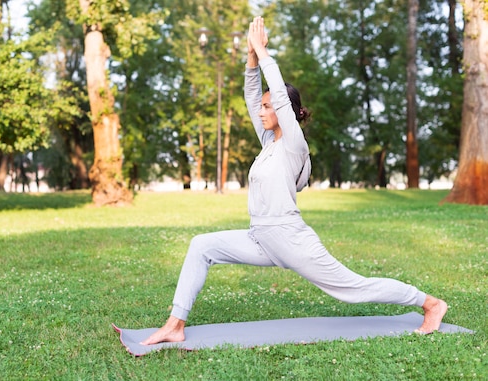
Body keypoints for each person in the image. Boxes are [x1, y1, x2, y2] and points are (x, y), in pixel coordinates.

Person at [140, 16, 447, 346]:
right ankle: (175, 323)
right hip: (260, 237)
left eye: (268, 108)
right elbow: (250, 92)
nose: (261, 111)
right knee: (202, 245)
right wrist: (250, 57)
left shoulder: (293, 146)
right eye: (263, 107)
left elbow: (280, 101)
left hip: (290, 238)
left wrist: (263, 50)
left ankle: (430, 303)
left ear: (286, 112)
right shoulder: (269, 142)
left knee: (353, 288)